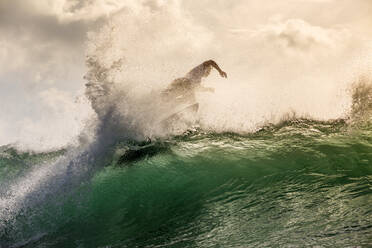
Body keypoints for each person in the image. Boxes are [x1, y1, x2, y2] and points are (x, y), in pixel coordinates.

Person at [161, 60, 227, 104]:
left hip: (179, 83)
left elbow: (197, 88)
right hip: (184, 83)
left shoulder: (198, 79)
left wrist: (208, 89)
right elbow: (211, 62)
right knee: (192, 100)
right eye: (209, 71)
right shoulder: (200, 69)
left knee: (168, 98)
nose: (209, 73)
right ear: (207, 69)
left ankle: (166, 104)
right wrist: (220, 71)